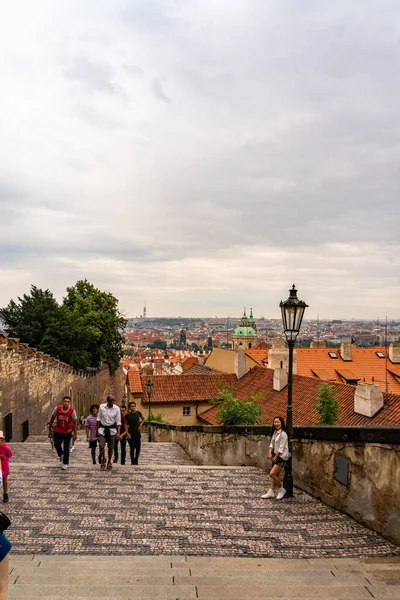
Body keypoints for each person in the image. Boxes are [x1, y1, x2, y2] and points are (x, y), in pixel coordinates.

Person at [261, 416, 289, 500]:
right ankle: (271, 491)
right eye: (275, 422)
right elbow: (272, 443)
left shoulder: (283, 434)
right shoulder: (275, 432)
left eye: (278, 422)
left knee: (272, 474)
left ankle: (281, 489)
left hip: (282, 457)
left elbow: (281, 447)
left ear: (281, 423)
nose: (276, 424)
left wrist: (276, 457)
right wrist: (270, 452)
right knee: (275, 474)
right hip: (275, 456)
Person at [48, 396, 78, 471]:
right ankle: (61, 454)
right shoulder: (57, 409)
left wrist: (75, 434)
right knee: (56, 444)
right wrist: (50, 425)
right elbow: (53, 417)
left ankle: (65, 463)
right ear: (62, 402)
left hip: (67, 431)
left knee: (66, 447)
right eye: (65, 401)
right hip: (58, 430)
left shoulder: (72, 411)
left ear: (69, 403)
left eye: (68, 402)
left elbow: (75, 422)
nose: (66, 403)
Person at [97, 395, 121, 470]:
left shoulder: (116, 409)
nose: (112, 402)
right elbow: (98, 419)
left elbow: (118, 422)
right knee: (101, 445)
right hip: (102, 429)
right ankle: (104, 458)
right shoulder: (101, 407)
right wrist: (97, 430)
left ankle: (109, 461)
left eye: (113, 400)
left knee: (111, 447)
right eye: (111, 400)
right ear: (107, 400)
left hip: (112, 430)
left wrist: (118, 433)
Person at [0, 434, 12, 503]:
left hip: (4, 466)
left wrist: (3, 456)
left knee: (4, 480)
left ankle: (5, 494)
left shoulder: (5, 447)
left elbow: (10, 454)